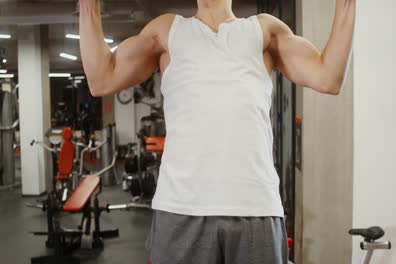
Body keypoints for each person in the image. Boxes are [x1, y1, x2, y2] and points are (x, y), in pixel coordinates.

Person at [79, 0, 355, 263]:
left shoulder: (264, 30)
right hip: (182, 209)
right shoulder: (167, 31)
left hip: (255, 208)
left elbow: (328, 76)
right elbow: (101, 79)